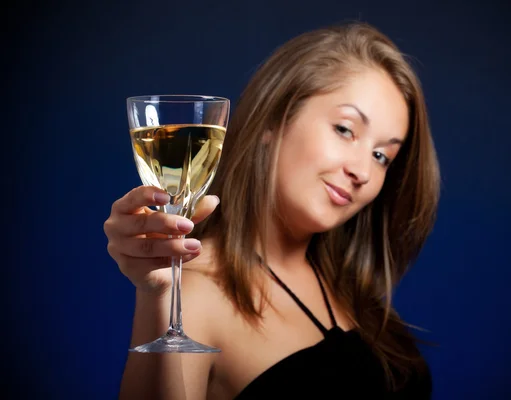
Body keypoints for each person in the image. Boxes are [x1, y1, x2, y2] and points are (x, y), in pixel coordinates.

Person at [105, 21, 440, 400]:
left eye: (382, 155)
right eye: (345, 130)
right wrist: (156, 296)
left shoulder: (348, 288)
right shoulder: (196, 293)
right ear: (273, 119)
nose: (362, 171)